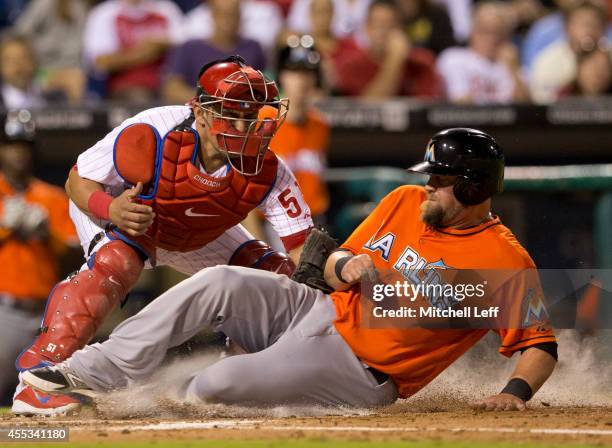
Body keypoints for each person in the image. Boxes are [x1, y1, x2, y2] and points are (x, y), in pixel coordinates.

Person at [24, 128, 558, 411]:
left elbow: (540, 344)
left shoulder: (505, 262)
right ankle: (91, 372)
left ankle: (143, 407)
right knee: (219, 281)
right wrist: (343, 264)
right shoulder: (402, 200)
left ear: (471, 187)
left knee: (214, 387)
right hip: (320, 307)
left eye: (439, 180)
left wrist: (513, 395)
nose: (427, 186)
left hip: (360, 369)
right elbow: (326, 262)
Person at [12, 56, 314, 416]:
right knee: (117, 262)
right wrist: (111, 209)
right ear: (201, 112)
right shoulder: (152, 129)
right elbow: (76, 181)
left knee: (277, 278)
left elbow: (302, 250)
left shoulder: (269, 170)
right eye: (231, 114)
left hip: (198, 231)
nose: (243, 127)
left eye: (250, 116)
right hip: (133, 212)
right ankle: (34, 383)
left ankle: (245, 377)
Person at [0, 110, 79, 404]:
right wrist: (5, 229)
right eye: (11, 145)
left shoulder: (53, 198)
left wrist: (49, 236)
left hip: (47, 317)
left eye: (24, 146)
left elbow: (77, 260)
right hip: (3, 313)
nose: (18, 153)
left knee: (46, 400)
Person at [243, 41, 330, 243]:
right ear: (281, 76)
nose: (301, 81)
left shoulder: (320, 125)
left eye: (307, 73)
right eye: (294, 72)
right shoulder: (261, 120)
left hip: (315, 225)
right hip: (272, 228)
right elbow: (243, 194)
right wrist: (260, 248)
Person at [331, 0, 443, 98]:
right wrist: (394, 60)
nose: (382, 32)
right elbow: (366, 111)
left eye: (389, 25)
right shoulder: (352, 66)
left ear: (401, 29)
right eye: (377, 25)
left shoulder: (421, 64)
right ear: (366, 28)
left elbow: (426, 110)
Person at [162, 0, 266, 104]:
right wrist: (210, 101)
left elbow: (266, 85)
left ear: (240, 17)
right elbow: (172, 89)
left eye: (233, 15)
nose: (228, 21)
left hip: (244, 114)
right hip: (199, 114)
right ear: (212, 15)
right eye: (222, 14)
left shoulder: (253, 48)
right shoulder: (190, 48)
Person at [82, 0, 184, 102]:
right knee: (139, 97)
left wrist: (160, 44)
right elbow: (101, 62)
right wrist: (143, 53)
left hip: (166, 79)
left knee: (181, 92)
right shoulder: (104, 13)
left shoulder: (166, 9)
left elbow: (186, 44)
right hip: (125, 84)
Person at [436, 1, 530, 104]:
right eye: (485, 31)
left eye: (498, 33)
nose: (491, 39)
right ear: (472, 31)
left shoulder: (514, 67)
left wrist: (513, 70)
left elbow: (526, 109)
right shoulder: (453, 59)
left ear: (507, 37)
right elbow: (460, 104)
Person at [530, 0, 610, 103]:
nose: (589, 29)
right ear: (567, 27)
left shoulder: (609, 56)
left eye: (595, 24)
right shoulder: (548, 60)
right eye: (583, 23)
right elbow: (541, 105)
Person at [0, 35, 45, 109]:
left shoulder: (53, 98)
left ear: (35, 62)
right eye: (13, 61)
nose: (20, 66)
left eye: (25, 58)